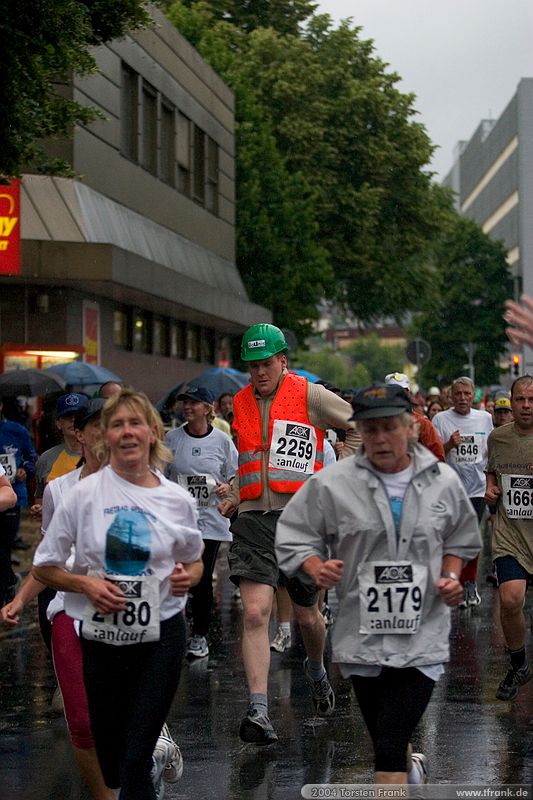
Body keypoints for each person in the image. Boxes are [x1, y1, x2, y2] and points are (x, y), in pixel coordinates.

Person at [276, 384, 481, 785]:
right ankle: (408, 764)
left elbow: (461, 536)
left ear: (410, 427)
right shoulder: (334, 483)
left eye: (389, 427)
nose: (380, 438)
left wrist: (452, 575)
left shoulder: (441, 481)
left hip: (423, 635)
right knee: (387, 738)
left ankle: (398, 766)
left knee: (385, 751)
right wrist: (315, 567)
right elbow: (293, 532)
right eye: (370, 430)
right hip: (362, 638)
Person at [33, 389, 204, 799]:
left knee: (133, 758)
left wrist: (188, 578)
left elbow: (195, 562)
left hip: (160, 633)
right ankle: (143, 767)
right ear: (104, 437)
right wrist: (87, 583)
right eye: (118, 424)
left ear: (152, 433)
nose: (128, 432)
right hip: (103, 638)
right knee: (111, 763)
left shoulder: (175, 499)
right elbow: (44, 566)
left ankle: (145, 764)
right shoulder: (80, 496)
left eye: (136, 423)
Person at [218, 323, 358, 744]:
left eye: (266, 364)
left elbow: (357, 426)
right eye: (252, 365)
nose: (259, 372)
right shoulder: (240, 403)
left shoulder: (308, 394)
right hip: (253, 522)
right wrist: (237, 495)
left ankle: (315, 669)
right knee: (257, 612)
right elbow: (252, 459)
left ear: (283, 361)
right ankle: (258, 710)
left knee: (306, 616)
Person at [165, 386, 238, 659]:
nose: (188, 407)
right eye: (185, 402)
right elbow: (159, 474)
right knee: (178, 574)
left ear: (208, 408)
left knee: (203, 576)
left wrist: (226, 488)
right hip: (179, 520)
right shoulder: (172, 439)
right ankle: (177, 628)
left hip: (210, 519)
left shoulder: (221, 441)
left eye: (194, 403)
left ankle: (200, 635)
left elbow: (234, 475)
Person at [484, 375, 533, 700]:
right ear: (510, 403)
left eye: (532, 400)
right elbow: (492, 475)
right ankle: (519, 664)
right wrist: (489, 489)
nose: (526, 406)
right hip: (510, 534)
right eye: (520, 400)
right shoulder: (497, 438)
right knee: (511, 599)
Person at [432, 377, 493, 607]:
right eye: (458, 394)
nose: (463, 398)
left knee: (470, 536)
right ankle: (451, 579)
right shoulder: (441, 419)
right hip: (450, 490)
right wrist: (449, 444)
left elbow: (491, 451)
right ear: (451, 396)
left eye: (467, 394)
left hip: (476, 489)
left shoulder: (485, 419)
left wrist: (490, 480)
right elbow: (435, 453)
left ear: (474, 395)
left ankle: (469, 583)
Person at [0, 397, 37, 604]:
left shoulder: (16, 431)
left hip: (13, 494)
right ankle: (7, 583)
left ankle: (7, 588)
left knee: (4, 546)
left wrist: (25, 469)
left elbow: (31, 456)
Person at [385, 374, 445, 462]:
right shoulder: (378, 421)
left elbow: (438, 456)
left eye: (402, 391)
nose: (397, 394)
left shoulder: (422, 422)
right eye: (392, 391)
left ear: (409, 393)